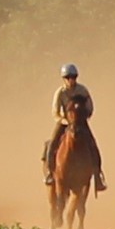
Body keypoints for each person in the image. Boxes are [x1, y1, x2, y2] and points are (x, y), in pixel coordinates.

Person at [40, 63, 106, 191]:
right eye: (68, 77)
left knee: (93, 145)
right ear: (64, 79)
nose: (71, 80)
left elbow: (90, 106)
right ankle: (49, 172)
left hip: (81, 122)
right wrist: (65, 121)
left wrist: (84, 116)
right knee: (52, 143)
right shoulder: (60, 93)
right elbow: (55, 112)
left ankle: (98, 177)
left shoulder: (83, 90)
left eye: (73, 77)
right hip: (64, 122)